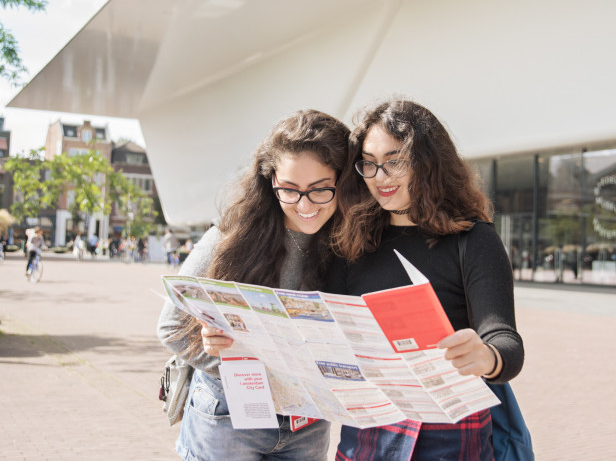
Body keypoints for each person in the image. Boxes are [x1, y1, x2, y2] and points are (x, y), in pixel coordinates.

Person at [326, 97, 525, 461]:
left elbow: (505, 341)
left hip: (450, 435)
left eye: (394, 161)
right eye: (368, 165)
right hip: (367, 434)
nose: (379, 178)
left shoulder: (473, 239)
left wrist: (486, 356)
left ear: (427, 161)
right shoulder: (351, 242)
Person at [157, 109, 350, 461]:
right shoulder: (232, 235)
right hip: (228, 416)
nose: (304, 205)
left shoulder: (350, 244)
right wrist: (232, 362)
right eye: (289, 189)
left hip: (309, 421)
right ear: (270, 179)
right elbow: (172, 326)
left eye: (320, 189)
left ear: (343, 181)